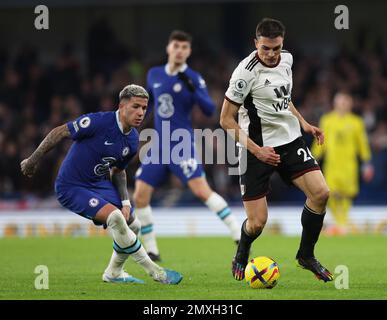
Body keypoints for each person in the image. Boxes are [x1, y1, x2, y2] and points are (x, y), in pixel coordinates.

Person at [20, 84, 182, 285]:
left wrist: (125, 202)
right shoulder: (98, 122)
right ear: (122, 107)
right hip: (72, 186)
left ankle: (114, 272)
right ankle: (155, 271)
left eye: (144, 108)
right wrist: (33, 160)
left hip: (98, 184)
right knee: (115, 218)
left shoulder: (132, 140)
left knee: (134, 223)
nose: (141, 112)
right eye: (136, 107)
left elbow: (119, 171)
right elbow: (59, 132)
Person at [220, 18, 333, 282]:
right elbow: (225, 120)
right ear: (255, 43)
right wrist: (258, 151)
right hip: (255, 148)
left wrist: (304, 123)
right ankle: (242, 250)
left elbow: (285, 99)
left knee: (321, 193)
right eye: (266, 49)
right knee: (258, 223)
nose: (271, 55)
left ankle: (306, 255)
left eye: (276, 48)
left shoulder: (287, 60)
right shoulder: (244, 74)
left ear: (283, 44)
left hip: (290, 140)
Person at [133, 30, 241, 261]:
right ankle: (152, 249)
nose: (179, 51)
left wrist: (192, 89)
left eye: (184, 47)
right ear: (169, 48)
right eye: (176, 46)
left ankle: (236, 231)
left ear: (189, 51)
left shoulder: (193, 77)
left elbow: (210, 110)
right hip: (159, 144)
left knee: (202, 191)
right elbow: (149, 106)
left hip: (181, 143)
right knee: (140, 195)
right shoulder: (154, 74)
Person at [311, 92, 373, 235]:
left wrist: (367, 164)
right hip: (332, 165)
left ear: (350, 104)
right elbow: (320, 142)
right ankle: (340, 223)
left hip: (349, 166)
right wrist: (313, 158)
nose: (343, 104)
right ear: (335, 103)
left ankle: (341, 223)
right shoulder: (327, 120)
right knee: (330, 194)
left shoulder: (356, 122)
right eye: (340, 102)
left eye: (346, 102)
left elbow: (362, 144)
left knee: (346, 195)